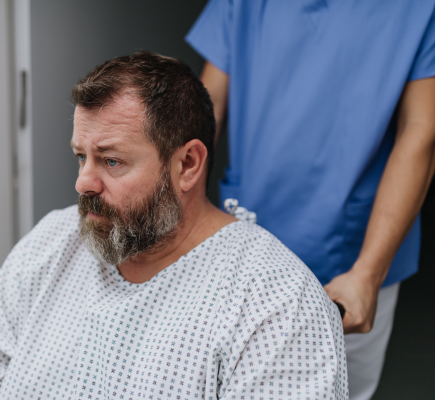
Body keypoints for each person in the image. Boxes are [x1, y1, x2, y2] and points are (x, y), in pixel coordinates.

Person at [0, 52, 347, 399]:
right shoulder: (54, 242)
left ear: (187, 164)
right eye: (82, 156)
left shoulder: (277, 305)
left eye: (111, 160)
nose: (83, 181)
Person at [186, 2, 435, 399]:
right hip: (243, 235)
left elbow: (421, 131)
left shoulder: (418, 9)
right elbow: (205, 108)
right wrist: (164, 205)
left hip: (352, 260)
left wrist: (368, 274)